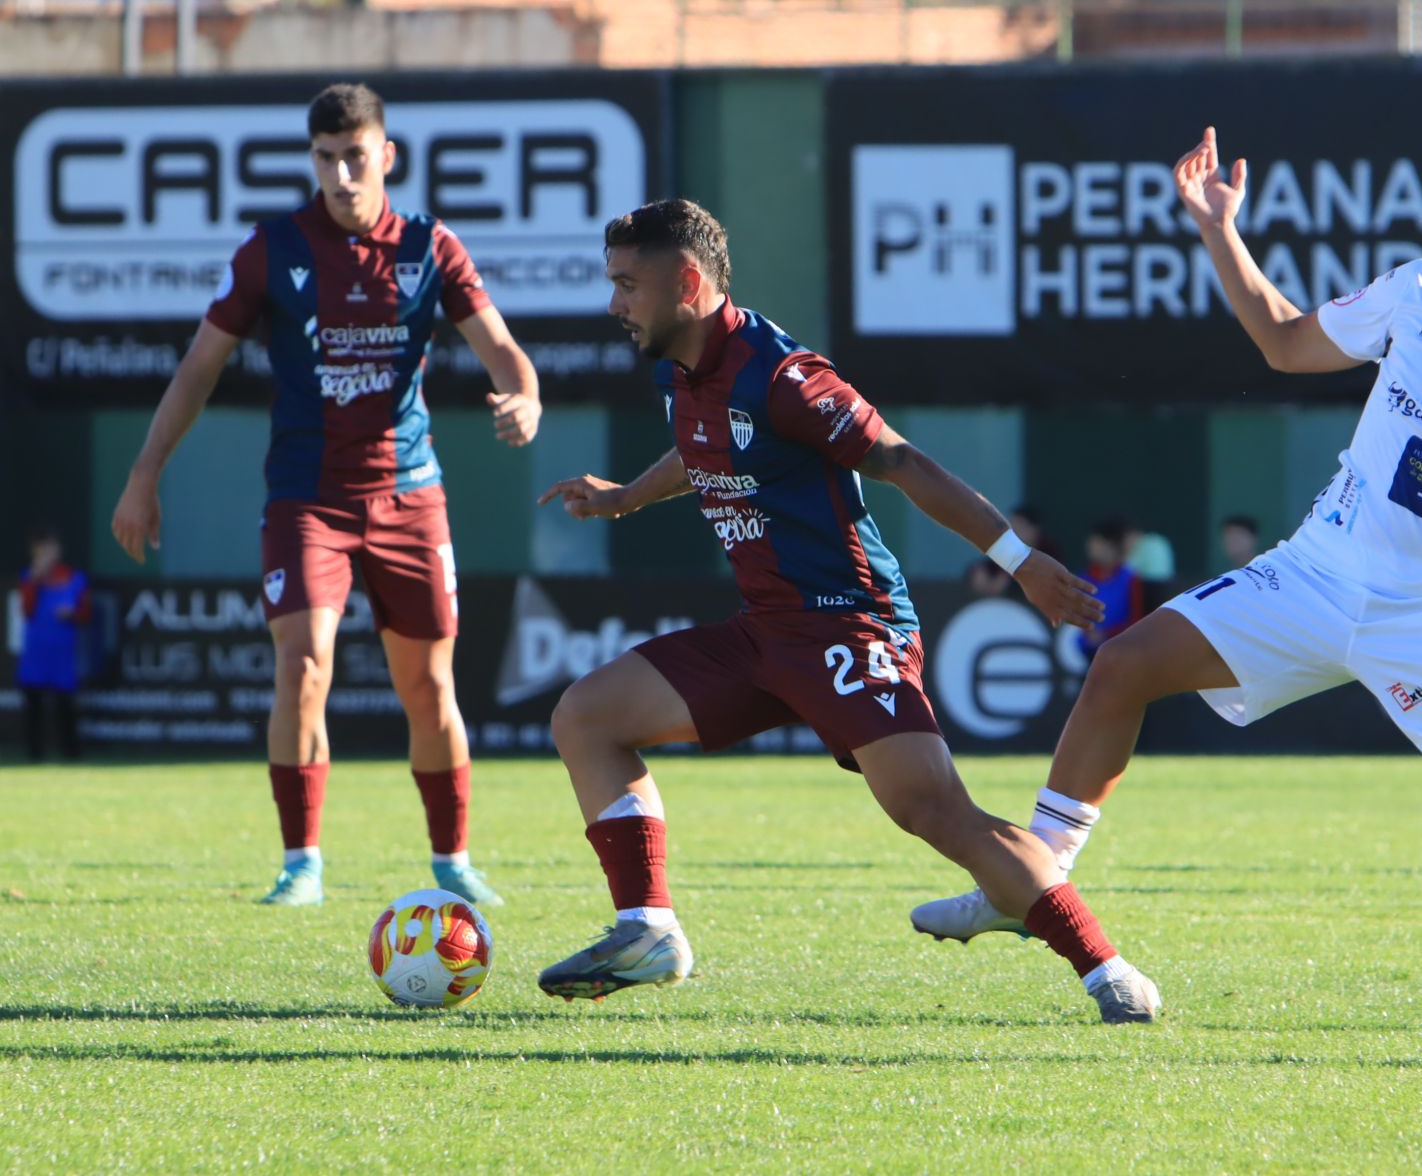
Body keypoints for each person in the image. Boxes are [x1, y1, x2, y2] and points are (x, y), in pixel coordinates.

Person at [914, 127, 1422, 1037]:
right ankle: (1034, 879)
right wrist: (1219, 228)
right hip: (1314, 571)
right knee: (1122, 665)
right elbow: (1286, 345)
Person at [532, 199, 1161, 1023]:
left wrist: (1021, 562)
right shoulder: (680, 367)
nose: (614, 303)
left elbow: (900, 458)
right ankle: (647, 929)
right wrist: (626, 500)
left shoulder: (783, 373)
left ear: (687, 283)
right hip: (764, 632)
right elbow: (704, 446)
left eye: (627, 285)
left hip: (847, 624)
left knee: (933, 811)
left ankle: (1107, 970)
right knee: (586, 716)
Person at [109, 83, 541, 908]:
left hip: (410, 495)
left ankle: (451, 860)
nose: (341, 175)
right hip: (307, 499)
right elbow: (200, 368)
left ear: (386, 155)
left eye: (355, 156)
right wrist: (142, 474)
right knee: (303, 666)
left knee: (429, 687)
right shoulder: (273, 250)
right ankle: (301, 861)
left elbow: (507, 355)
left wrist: (523, 398)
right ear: (310, 159)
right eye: (324, 158)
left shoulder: (429, 248)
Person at [17, 525, 90, 759]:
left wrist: (72, 613)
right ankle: (34, 754)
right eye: (41, 549)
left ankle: (71, 753)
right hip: (35, 652)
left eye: (50, 548)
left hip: (63, 652)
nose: (46, 553)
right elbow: (26, 610)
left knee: (65, 705)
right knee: (33, 705)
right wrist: (35, 580)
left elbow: (86, 614)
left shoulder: (75, 578)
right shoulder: (29, 578)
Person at [1079, 517, 1146, 655]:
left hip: (1122, 653)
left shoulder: (1131, 579)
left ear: (1112, 546)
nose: (1090, 546)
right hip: (1087, 655)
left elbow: (1137, 621)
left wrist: (1107, 635)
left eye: (1097, 542)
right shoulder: (1082, 579)